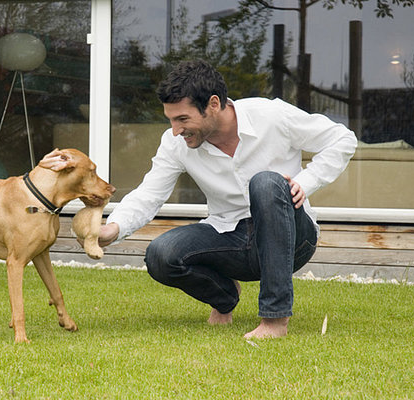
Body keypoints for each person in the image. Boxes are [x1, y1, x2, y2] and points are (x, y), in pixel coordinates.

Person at [96, 59, 357, 339]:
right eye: (170, 120)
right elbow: (150, 193)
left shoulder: (271, 115)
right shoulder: (175, 143)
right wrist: (115, 227)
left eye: (182, 119)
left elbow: (342, 139)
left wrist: (304, 182)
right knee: (160, 254)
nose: (175, 130)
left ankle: (275, 320)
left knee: (267, 182)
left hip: (294, 238)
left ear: (213, 104)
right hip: (229, 236)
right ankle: (225, 297)